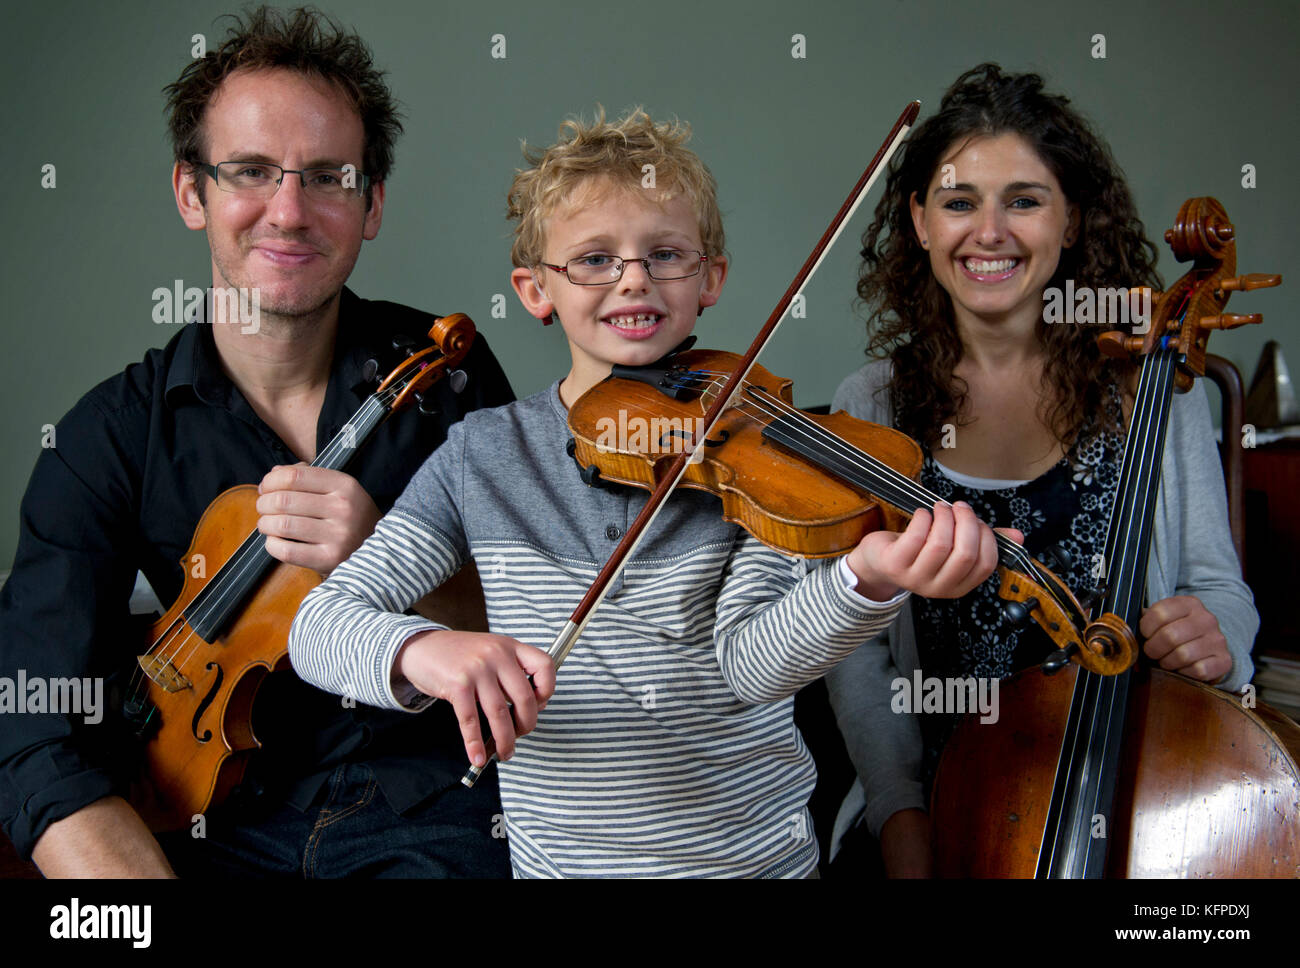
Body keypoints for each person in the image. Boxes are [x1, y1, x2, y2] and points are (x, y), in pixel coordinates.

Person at [287, 107, 1011, 878]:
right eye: (595, 259)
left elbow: (753, 667)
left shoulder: (754, 458)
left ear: (710, 279)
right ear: (535, 290)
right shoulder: (483, 457)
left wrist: (865, 581)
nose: (634, 277)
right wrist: (423, 650)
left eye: (665, 254)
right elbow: (319, 626)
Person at [0, 6, 516, 878]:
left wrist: (388, 559)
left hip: (436, 815)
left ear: (372, 203)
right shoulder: (105, 439)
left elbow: (549, 626)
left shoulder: (447, 378)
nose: (289, 210)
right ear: (190, 192)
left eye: (328, 176)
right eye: (250, 171)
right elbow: (32, 732)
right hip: (214, 824)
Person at [824, 63, 1259, 877]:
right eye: (959, 202)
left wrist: (1217, 639)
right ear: (920, 221)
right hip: (937, 798)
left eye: (1023, 200)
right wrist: (899, 814)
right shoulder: (872, 403)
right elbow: (862, 658)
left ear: (1070, 222)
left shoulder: (1153, 391)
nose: (989, 232)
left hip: (1137, 799)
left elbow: (1222, 592)